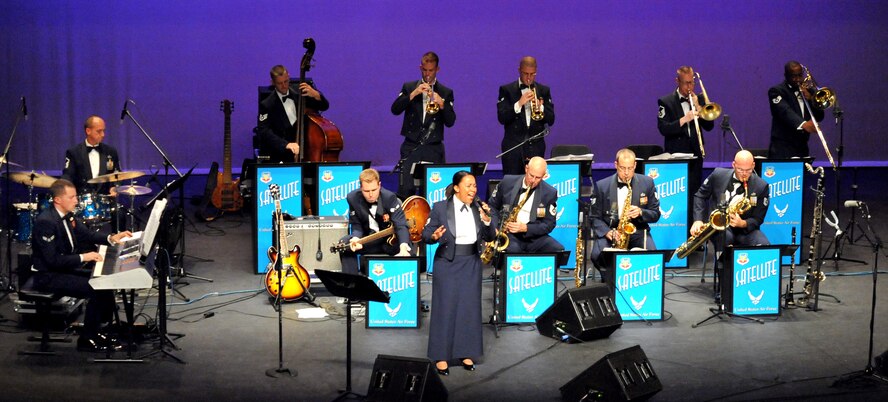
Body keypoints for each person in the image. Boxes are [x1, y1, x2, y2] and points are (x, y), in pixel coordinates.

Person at [30, 179, 132, 352]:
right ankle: (87, 339)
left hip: (62, 269)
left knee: (104, 281)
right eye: (72, 197)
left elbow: (88, 235)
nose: (76, 201)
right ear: (58, 200)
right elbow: (52, 260)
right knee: (95, 289)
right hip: (47, 276)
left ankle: (97, 328)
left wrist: (111, 238)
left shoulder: (68, 215)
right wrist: (84, 256)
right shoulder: (46, 222)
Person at [423, 171, 492, 376]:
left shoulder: (479, 208)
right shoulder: (440, 208)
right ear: (456, 188)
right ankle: (441, 356)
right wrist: (433, 236)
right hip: (447, 263)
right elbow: (426, 234)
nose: (473, 190)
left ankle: (466, 352)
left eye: (475, 186)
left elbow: (491, 235)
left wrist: (488, 221)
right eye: (469, 185)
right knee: (445, 308)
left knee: (468, 308)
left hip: (471, 263)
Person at [391, 51, 456, 200]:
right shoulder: (408, 87)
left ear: (437, 70)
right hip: (411, 146)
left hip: (433, 147)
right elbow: (395, 109)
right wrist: (413, 94)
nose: (428, 74)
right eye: (425, 70)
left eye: (431, 70)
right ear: (420, 68)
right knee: (406, 189)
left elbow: (451, 121)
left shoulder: (446, 92)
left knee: (434, 191)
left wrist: (442, 103)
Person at [589, 149, 661, 270]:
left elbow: (655, 214)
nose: (626, 173)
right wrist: (607, 232)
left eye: (630, 168)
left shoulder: (647, 183)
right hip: (612, 231)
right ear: (616, 165)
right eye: (622, 168)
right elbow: (594, 217)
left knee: (652, 254)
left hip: (637, 231)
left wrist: (641, 212)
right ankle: (609, 281)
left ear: (635, 165)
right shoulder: (602, 186)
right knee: (596, 255)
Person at [691, 150, 770, 249]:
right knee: (726, 238)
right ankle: (724, 262)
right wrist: (698, 220)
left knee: (763, 243)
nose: (744, 174)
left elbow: (758, 218)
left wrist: (743, 223)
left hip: (745, 231)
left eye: (748, 170)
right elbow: (700, 196)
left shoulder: (761, 186)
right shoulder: (718, 175)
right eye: (740, 170)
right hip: (720, 229)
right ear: (733, 165)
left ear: (753, 165)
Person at [338, 169, 412, 275]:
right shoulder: (352, 198)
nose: (371, 195)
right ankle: (351, 284)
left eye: (374, 190)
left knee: (407, 246)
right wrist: (356, 239)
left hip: (390, 241)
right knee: (345, 244)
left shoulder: (389, 197)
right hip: (370, 240)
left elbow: (400, 224)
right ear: (361, 187)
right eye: (366, 191)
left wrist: (403, 246)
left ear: (380, 185)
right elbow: (356, 225)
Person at [487, 156, 563, 254]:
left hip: (534, 236)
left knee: (558, 249)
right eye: (531, 175)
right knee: (514, 250)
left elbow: (549, 224)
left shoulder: (550, 193)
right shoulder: (507, 182)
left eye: (538, 177)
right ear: (526, 168)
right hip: (509, 234)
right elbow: (492, 206)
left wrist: (526, 228)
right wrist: (495, 229)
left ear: (544, 175)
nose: (533, 180)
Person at [657, 66, 714, 195]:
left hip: (696, 154)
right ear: (677, 81)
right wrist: (683, 119)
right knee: (678, 193)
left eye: (692, 82)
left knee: (695, 192)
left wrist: (699, 107)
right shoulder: (666, 101)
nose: (690, 87)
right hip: (676, 154)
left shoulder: (699, 99)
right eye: (686, 83)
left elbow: (709, 127)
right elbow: (663, 128)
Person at [257, 64, 330, 163]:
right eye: (279, 83)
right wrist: (286, 145)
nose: (284, 86)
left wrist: (316, 95)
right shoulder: (267, 104)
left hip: (306, 151)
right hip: (281, 155)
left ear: (289, 77)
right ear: (273, 82)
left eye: (286, 81)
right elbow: (264, 131)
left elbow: (324, 106)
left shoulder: (300, 91)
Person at [496, 56, 555, 175]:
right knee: (512, 186)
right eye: (525, 73)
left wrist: (541, 107)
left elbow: (551, 119)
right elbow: (502, 118)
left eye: (532, 74)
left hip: (536, 147)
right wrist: (519, 103)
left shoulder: (544, 90)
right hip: (513, 148)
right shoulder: (507, 90)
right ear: (519, 70)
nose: (529, 78)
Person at [768, 61, 825, 159]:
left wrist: (811, 100)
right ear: (786, 76)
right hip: (782, 148)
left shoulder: (809, 91)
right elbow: (785, 111)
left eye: (800, 75)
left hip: (802, 147)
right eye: (794, 76)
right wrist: (804, 124)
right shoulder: (776, 91)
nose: (798, 79)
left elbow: (820, 116)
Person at [61, 115, 121, 196]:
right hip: (82, 201)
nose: (103, 134)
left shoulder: (111, 152)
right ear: (88, 131)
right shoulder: (74, 152)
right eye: (99, 131)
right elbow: (67, 175)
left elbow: (117, 175)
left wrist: (114, 187)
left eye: (103, 131)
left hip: (106, 200)